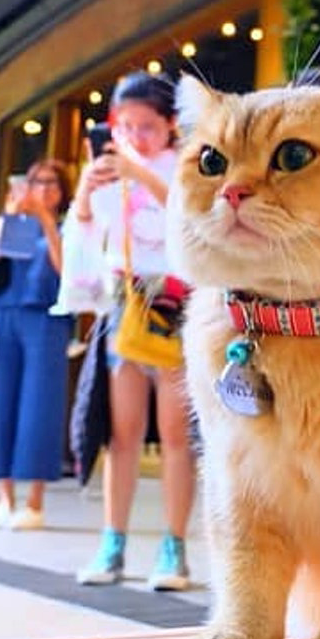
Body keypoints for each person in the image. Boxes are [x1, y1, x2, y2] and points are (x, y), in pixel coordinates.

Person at [72, 72, 196, 590]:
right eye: (125, 126)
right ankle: (112, 543)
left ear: (170, 124)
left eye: (147, 126)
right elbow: (87, 232)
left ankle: (174, 549)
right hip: (125, 304)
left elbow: (190, 216)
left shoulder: (186, 166)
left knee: (175, 436)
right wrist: (85, 189)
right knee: (122, 436)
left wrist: (138, 172)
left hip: (173, 303)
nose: (135, 136)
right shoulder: (110, 171)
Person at [0, 157, 74, 531]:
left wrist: (46, 221)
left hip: (47, 318)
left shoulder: (68, 226)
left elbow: (68, 271)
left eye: (51, 183)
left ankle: (34, 502)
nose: (43, 190)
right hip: (2, 313)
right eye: (36, 182)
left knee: (39, 406)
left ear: (62, 192)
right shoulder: (10, 221)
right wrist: (8, 217)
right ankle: (5, 499)